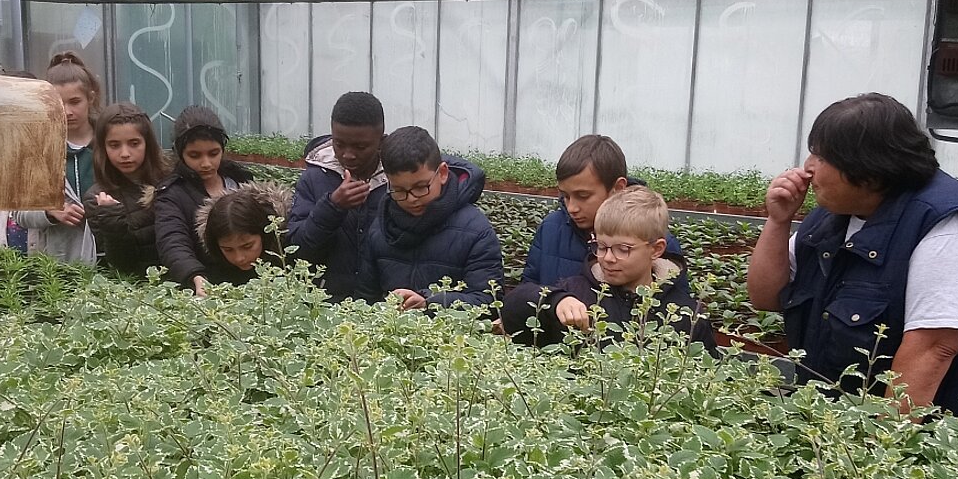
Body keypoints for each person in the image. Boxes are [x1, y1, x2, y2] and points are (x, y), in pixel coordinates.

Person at [746, 92, 958, 417]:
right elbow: (766, 296)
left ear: (869, 171)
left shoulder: (946, 224)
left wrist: (876, 450)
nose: (808, 168)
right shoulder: (834, 214)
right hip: (838, 423)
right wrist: (778, 221)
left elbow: (934, 347)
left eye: (822, 157)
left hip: (943, 443)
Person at [502, 186, 717, 354]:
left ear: (656, 249)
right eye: (601, 247)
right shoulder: (576, 291)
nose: (608, 258)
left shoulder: (686, 315)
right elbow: (511, 312)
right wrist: (554, 301)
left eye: (623, 249)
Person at [355, 126, 503, 311]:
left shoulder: (475, 229)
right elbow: (365, 298)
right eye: (399, 190)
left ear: (442, 173)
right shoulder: (381, 226)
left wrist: (430, 302)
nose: (411, 198)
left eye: (420, 187)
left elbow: (488, 302)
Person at [521, 134, 685, 286]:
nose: (572, 208)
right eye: (566, 196)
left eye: (583, 196)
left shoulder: (652, 239)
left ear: (618, 188)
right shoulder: (551, 228)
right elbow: (528, 290)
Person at [287, 91, 389, 300]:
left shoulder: (398, 179)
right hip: (326, 304)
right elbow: (296, 250)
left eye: (360, 147)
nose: (348, 154)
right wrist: (332, 207)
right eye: (339, 144)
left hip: (384, 307)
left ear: (381, 140)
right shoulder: (314, 177)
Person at [153, 105, 255, 295]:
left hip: (254, 285)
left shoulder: (242, 181)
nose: (206, 163)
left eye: (213, 153)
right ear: (180, 153)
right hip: (206, 288)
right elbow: (173, 241)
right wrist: (195, 276)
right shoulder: (171, 194)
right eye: (195, 155)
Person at [13, 51, 101, 265]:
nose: (68, 111)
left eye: (75, 101)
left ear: (91, 97)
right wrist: (50, 212)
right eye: (59, 103)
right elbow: (19, 213)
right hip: (59, 262)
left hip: (110, 255)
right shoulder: (38, 149)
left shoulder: (110, 142)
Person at [85, 103, 168, 278]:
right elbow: (122, 264)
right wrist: (111, 217)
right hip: (137, 290)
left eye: (134, 143)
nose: (125, 153)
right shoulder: (98, 198)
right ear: (103, 148)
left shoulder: (169, 180)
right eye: (114, 145)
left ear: (148, 143)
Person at [195, 183, 294, 285]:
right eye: (228, 250)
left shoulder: (289, 252)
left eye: (247, 246)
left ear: (264, 234)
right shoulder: (211, 266)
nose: (239, 258)